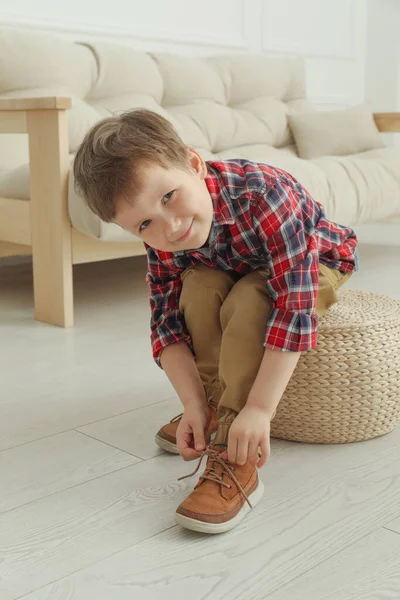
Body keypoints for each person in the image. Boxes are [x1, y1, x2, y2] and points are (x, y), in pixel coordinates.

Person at [73, 109, 358, 534]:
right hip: (235, 264)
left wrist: (260, 409)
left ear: (193, 165)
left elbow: (293, 311)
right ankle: (209, 408)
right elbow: (165, 325)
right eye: (144, 223)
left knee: (251, 297)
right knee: (201, 287)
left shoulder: (264, 194)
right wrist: (191, 402)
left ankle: (234, 452)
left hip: (313, 263)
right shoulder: (165, 238)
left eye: (169, 196)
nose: (169, 228)